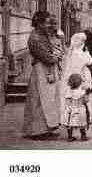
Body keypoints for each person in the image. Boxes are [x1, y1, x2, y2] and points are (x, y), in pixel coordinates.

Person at [22, 11, 61, 140]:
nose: (48, 25)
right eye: (46, 22)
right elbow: (44, 56)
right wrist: (55, 57)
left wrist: (55, 55)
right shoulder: (35, 38)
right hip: (41, 71)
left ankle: (47, 128)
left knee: (48, 99)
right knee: (39, 100)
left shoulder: (42, 35)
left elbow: (51, 50)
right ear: (39, 23)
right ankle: (37, 131)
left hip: (46, 70)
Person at [62, 32, 92, 127]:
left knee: (74, 99)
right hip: (82, 76)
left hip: (76, 77)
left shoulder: (72, 53)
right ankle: (85, 118)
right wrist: (87, 53)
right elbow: (89, 61)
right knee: (83, 98)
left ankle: (71, 119)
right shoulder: (80, 53)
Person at [62, 73, 91, 141]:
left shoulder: (69, 91)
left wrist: (68, 108)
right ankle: (83, 136)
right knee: (82, 123)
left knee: (70, 124)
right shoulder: (82, 92)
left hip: (71, 110)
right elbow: (86, 100)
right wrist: (87, 94)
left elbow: (67, 101)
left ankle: (70, 136)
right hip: (80, 109)